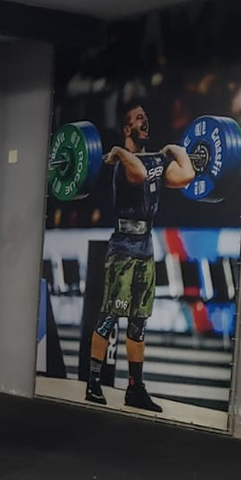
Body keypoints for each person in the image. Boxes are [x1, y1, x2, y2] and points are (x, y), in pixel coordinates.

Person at [86, 103, 195, 412]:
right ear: (127, 129)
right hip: (122, 252)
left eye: (145, 115)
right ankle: (93, 384)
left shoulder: (155, 162)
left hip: (146, 252)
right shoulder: (124, 165)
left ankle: (135, 389)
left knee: (138, 325)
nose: (144, 119)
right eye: (138, 118)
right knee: (109, 317)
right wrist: (120, 152)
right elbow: (138, 173)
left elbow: (186, 175)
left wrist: (174, 149)